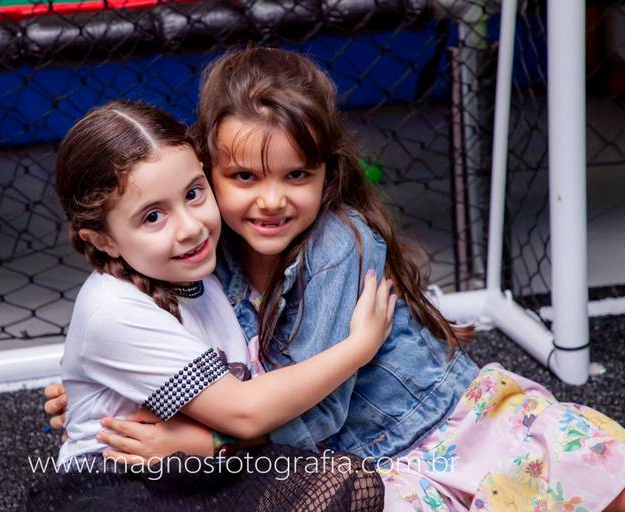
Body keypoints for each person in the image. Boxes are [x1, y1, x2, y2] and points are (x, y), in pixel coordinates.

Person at [46, 48, 625, 511]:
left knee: (591, 475)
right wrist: (120, 383)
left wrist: (201, 442)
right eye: (244, 177)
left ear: (328, 173)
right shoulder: (205, 247)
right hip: (350, 461)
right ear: (209, 169)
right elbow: (194, 351)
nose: (271, 200)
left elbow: (317, 415)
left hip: (429, 429)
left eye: (297, 175)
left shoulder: (336, 248)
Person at [35, 98, 388, 510]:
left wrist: (206, 442)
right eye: (153, 217)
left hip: (201, 467)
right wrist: (358, 347)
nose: (190, 227)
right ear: (103, 240)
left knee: (351, 482)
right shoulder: (112, 308)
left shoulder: (199, 271)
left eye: (193, 193)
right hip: (121, 478)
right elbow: (245, 412)